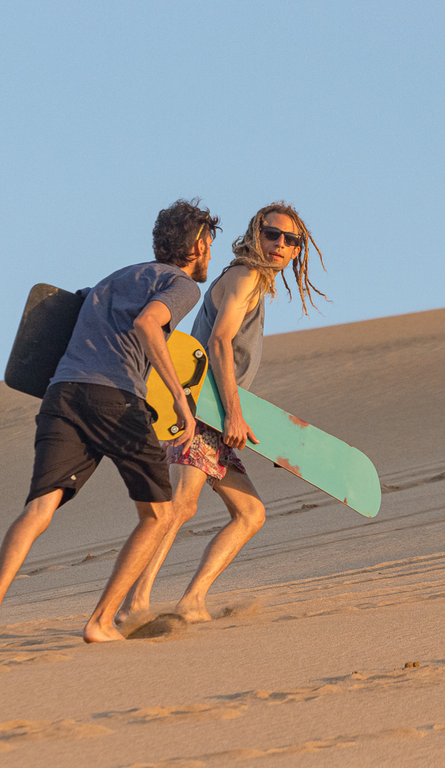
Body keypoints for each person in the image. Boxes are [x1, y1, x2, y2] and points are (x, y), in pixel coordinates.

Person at [0, 199, 219, 658]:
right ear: (199, 245)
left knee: (39, 510)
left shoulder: (114, 279)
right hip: (116, 397)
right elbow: (148, 324)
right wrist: (180, 399)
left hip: (62, 393)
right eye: (209, 245)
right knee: (159, 515)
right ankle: (102, 621)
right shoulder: (180, 284)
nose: (209, 255)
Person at [117, 202, 326, 623]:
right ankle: (133, 603)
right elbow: (219, 342)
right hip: (202, 414)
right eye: (272, 235)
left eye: (291, 240)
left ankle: (192, 601)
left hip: (213, 417)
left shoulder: (252, 282)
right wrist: (233, 413)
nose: (280, 245)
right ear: (255, 234)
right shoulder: (246, 276)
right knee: (180, 506)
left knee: (250, 514)